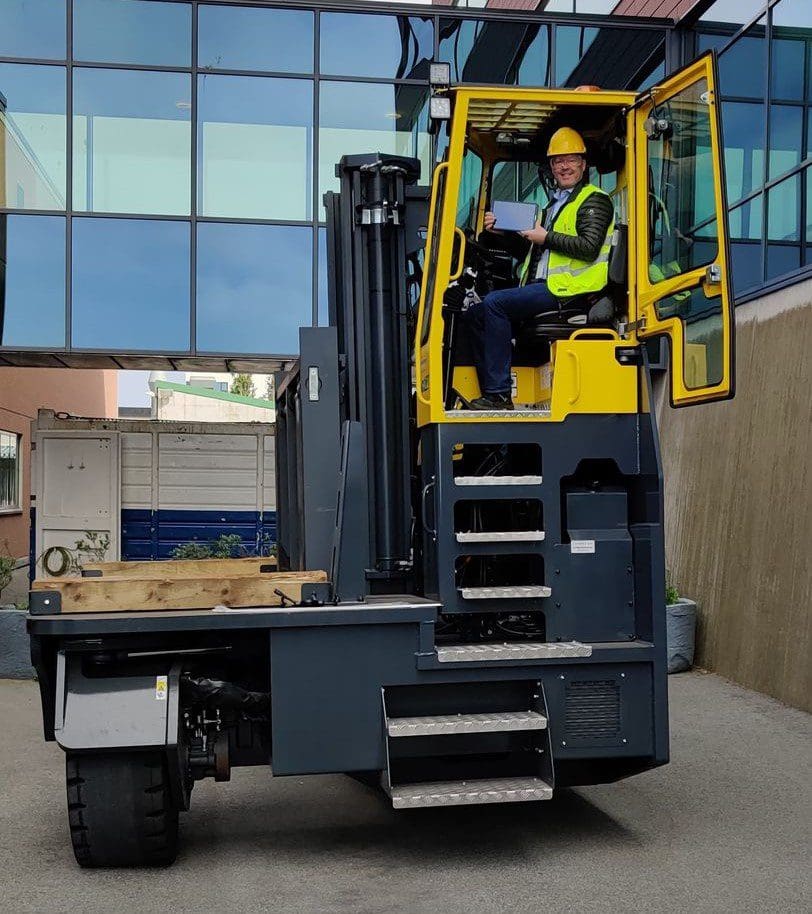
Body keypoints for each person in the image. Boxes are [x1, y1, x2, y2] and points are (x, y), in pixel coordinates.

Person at [465, 127, 614, 410]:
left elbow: (588, 246)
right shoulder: (553, 206)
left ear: (583, 164)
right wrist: (502, 234)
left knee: (496, 304)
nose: (564, 166)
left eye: (570, 159)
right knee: (475, 314)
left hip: (572, 291)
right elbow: (533, 250)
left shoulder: (595, 200)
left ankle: (498, 394)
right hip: (545, 287)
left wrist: (544, 236)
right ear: (551, 167)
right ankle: (494, 388)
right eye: (558, 161)